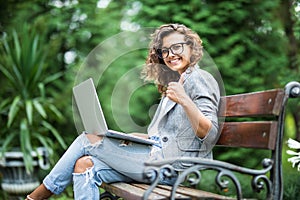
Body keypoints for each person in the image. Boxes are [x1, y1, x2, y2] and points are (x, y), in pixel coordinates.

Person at [26, 23, 220, 200]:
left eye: (176, 47)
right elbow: (165, 136)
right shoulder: (177, 82)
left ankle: (36, 197)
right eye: (165, 51)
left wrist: (184, 99)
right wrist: (133, 138)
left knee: (88, 139)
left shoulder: (198, 78)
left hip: (171, 169)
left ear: (190, 47)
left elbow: (209, 133)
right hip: (158, 160)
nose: (170, 55)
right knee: (85, 165)